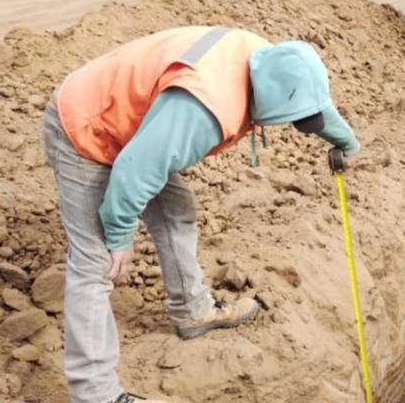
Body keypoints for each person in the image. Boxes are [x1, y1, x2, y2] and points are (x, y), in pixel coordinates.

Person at [42, 26, 360, 403]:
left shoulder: (276, 61)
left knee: (176, 209)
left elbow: (309, 96)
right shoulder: (206, 105)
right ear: (265, 104)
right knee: (96, 263)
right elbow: (135, 169)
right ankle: (95, 393)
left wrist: (346, 142)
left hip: (133, 122)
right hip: (86, 124)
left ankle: (191, 309)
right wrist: (119, 236)